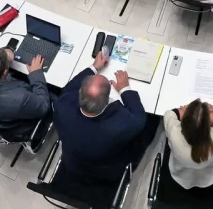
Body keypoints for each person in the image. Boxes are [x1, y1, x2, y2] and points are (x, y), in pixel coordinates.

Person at [54, 52, 155, 184]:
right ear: (107, 100)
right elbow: (139, 118)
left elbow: (68, 88)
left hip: (73, 164)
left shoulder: (62, 106)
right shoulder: (120, 124)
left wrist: (94, 67)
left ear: (79, 92)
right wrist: (124, 89)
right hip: (107, 172)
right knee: (151, 123)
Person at [0, 48, 51, 128]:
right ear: (5, 72)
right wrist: (35, 73)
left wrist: (6, 50)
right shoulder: (20, 98)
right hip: (16, 122)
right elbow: (44, 106)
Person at [164, 99, 213, 190]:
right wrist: (204, 115)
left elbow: (169, 114)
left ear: (183, 122)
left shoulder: (173, 131)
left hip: (180, 175)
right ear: (208, 124)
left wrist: (191, 112)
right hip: (210, 177)